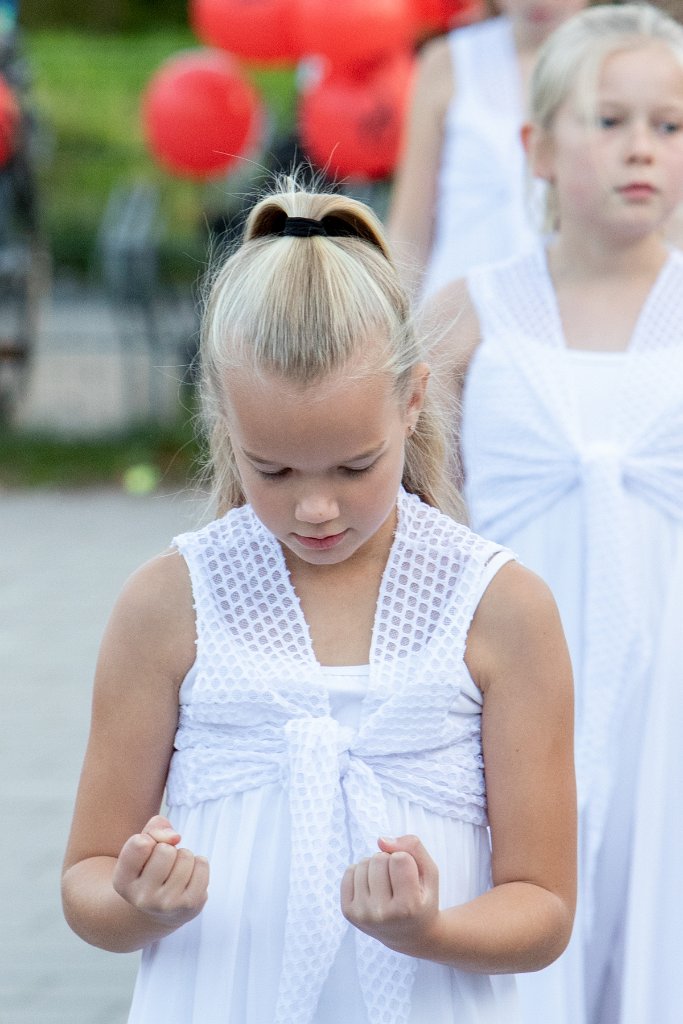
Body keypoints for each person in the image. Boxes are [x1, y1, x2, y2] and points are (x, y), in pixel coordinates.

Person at [61, 182, 575, 1024]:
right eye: (273, 470)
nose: (315, 509)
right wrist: (139, 904)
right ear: (223, 420)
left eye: (351, 466)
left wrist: (430, 928)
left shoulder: (498, 606)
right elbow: (87, 878)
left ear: (411, 401)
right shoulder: (168, 603)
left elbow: (543, 904)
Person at [428, 4, 683, 1021]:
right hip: (522, 680)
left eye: (667, 126)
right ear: (534, 147)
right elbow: (415, 504)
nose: (641, 149)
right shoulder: (468, 312)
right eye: (608, 120)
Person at [387, 0, 587, 302]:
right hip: (453, 316)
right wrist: (394, 330)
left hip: (568, 314)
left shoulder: (623, 65)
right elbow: (409, 231)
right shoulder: (446, 63)